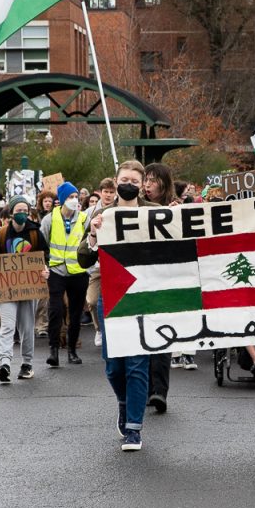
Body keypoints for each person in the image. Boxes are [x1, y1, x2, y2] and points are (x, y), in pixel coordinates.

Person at [86, 160, 156, 451]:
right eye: (124, 179)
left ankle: (134, 429)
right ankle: (124, 402)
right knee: (114, 367)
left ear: (142, 185)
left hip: (145, 296)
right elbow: (83, 259)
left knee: (137, 365)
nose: (129, 184)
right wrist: (93, 232)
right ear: (116, 183)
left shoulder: (156, 213)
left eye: (135, 180)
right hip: (112, 296)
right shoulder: (103, 214)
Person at [0, 196, 49, 383]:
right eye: (18, 210)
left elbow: (45, 256)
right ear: (11, 212)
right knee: (7, 326)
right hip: (7, 288)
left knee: (27, 327)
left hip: (30, 288)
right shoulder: (1, 234)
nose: (22, 214)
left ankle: (27, 364)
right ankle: (5, 363)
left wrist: (45, 270)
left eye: (25, 210)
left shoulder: (36, 234)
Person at [142, 162, 190, 410]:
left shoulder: (176, 206)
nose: (147, 185)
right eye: (145, 180)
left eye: (152, 180)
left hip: (166, 279)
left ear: (164, 182)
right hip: (140, 279)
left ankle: (159, 391)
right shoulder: (135, 207)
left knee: (162, 336)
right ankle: (145, 387)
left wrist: (178, 216)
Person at [39, 182, 89, 367]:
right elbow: (41, 245)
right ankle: (53, 350)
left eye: (76, 197)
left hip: (78, 272)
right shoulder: (49, 219)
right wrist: (44, 266)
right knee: (55, 310)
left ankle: (72, 351)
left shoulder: (84, 219)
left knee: (75, 314)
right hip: (56, 270)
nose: (74, 200)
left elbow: (91, 243)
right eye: (70, 197)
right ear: (61, 200)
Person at [84, 178, 117, 347]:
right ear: (100, 192)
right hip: (97, 264)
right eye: (106, 192)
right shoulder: (90, 212)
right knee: (92, 299)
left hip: (115, 263)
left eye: (112, 192)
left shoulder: (118, 210)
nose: (109, 195)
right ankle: (99, 329)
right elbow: (85, 238)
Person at [33, 189, 57, 338]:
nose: (47, 203)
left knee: (47, 295)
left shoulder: (56, 218)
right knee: (39, 294)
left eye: (50, 201)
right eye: (45, 200)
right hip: (37, 258)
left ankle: (43, 325)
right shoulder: (34, 217)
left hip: (51, 258)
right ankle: (37, 324)